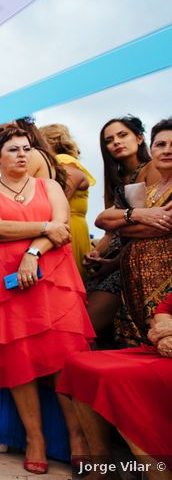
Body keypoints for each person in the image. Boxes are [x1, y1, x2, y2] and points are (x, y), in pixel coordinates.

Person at [0, 127, 95, 474]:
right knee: (19, 361)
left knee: (65, 358)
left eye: (26, 149)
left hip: (53, 279)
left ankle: (78, 438)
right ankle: (35, 438)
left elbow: (61, 230)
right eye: (13, 150)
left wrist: (32, 252)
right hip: (8, 288)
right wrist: (42, 227)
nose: (22, 155)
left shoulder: (50, 186)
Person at [57, 287, 172, 478]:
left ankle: (159, 473)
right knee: (81, 365)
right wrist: (165, 336)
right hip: (163, 353)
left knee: (119, 380)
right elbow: (163, 311)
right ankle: (102, 467)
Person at [94, 118, 172, 348]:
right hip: (136, 282)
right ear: (152, 147)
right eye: (160, 144)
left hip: (166, 285)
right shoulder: (142, 190)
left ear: (139, 140)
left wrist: (125, 226)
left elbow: (165, 225)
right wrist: (136, 215)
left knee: (164, 345)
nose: (167, 150)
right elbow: (102, 219)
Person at [40, 124, 95, 273]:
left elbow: (57, 201)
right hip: (68, 226)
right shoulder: (66, 163)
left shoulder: (63, 163)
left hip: (68, 228)